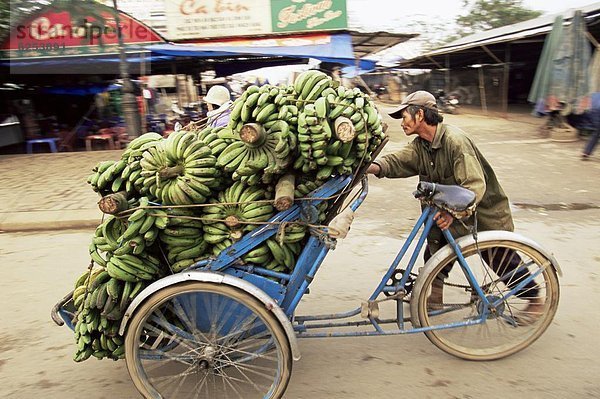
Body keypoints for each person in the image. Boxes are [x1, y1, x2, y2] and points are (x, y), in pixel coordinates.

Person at [366, 90, 543, 321]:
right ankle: (435, 296)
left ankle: (535, 300)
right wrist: (371, 167)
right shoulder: (422, 145)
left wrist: (453, 212)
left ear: (419, 115)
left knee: (500, 259)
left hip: (483, 213)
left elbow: (473, 186)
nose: (402, 123)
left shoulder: (455, 142)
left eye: (404, 116)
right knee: (434, 247)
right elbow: (398, 160)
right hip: (449, 213)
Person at [565, 92, 600, 159]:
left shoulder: (595, 95)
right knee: (596, 133)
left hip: (593, 112)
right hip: (595, 111)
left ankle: (586, 152)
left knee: (596, 133)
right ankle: (586, 152)